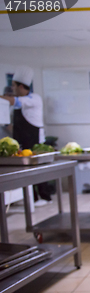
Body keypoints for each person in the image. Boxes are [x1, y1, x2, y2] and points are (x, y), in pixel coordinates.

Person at [0, 66, 52, 206]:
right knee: (26, 173)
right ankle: (33, 198)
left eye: (14, 86)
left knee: (39, 171)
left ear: (21, 86)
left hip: (36, 142)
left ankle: (44, 197)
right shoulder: (18, 102)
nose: (13, 89)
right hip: (22, 142)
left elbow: (13, 101)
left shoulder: (33, 99)